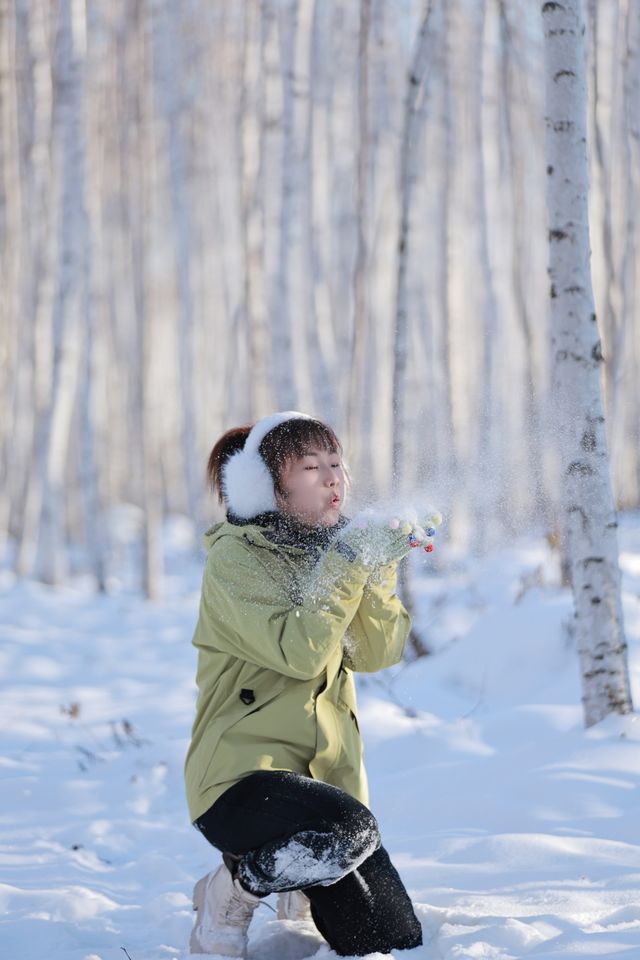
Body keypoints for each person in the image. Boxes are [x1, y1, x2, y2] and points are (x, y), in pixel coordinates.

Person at [184, 411, 438, 958]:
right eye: (311, 465)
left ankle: (296, 870)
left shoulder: (332, 553)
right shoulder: (236, 559)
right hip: (240, 783)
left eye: (337, 463)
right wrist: (349, 562)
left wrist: (378, 568)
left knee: (390, 940)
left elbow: (376, 652)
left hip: (325, 789)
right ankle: (234, 889)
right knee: (348, 827)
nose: (333, 477)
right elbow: (300, 654)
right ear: (272, 488)